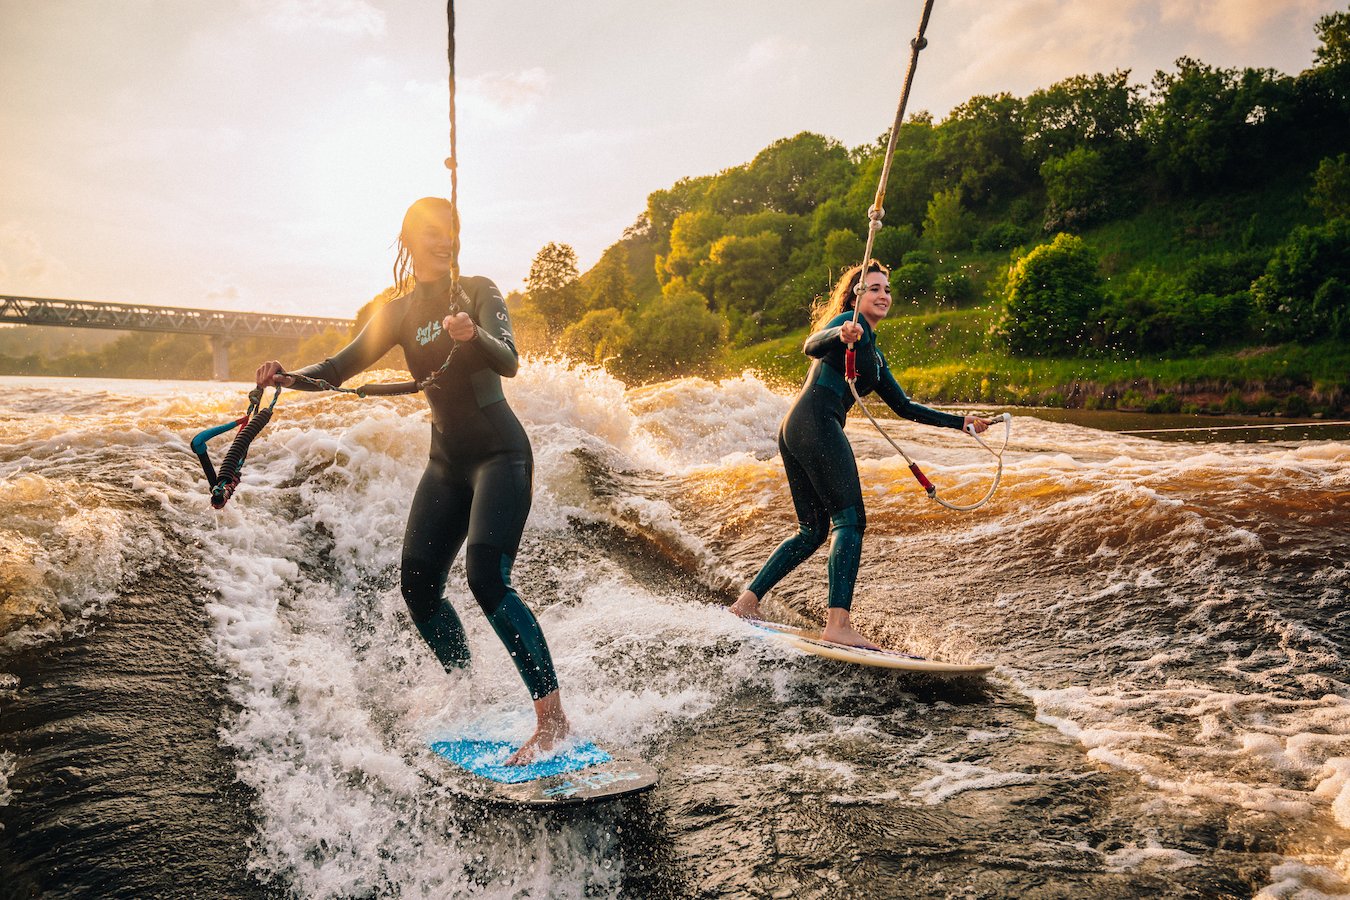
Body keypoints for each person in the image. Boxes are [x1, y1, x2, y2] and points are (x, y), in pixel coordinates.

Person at [255, 197, 566, 765]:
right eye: (430, 231)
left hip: (501, 453)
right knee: (419, 586)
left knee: (485, 579)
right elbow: (338, 368)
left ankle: (552, 721)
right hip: (445, 463)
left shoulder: (477, 291)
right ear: (408, 237)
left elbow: (510, 361)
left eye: (450, 230)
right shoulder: (396, 312)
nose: (442, 239)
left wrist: (470, 334)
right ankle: (465, 689)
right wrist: (286, 377)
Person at [728, 260, 992, 648]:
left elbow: (905, 407)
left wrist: (961, 423)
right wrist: (840, 335)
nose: (883, 295)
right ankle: (838, 625)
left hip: (798, 428)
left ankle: (745, 604)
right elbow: (810, 345)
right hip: (815, 422)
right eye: (873, 289)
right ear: (856, 296)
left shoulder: (875, 354)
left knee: (812, 530)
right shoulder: (845, 324)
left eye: (887, 289)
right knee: (849, 520)